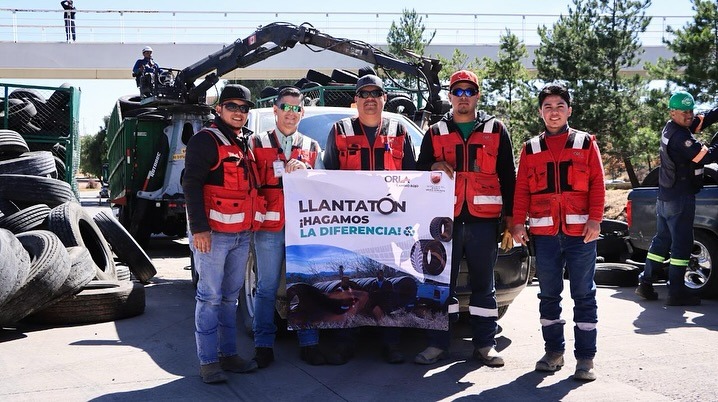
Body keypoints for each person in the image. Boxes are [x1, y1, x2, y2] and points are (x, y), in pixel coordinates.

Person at [415, 70, 516, 368]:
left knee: (484, 285)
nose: (463, 97)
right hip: (444, 222)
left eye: (468, 91)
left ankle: (485, 346)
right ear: (449, 96)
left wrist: (511, 221)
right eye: (457, 91)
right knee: (440, 284)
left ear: (477, 95)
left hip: (483, 221)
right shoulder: (435, 132)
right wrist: (433, 163)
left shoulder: (496, 129)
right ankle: (437, 345)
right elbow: (418, 173)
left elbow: (508, 176)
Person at [511, 84, 604, 382]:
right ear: (540, 112)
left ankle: (586, 359)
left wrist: (595, 219)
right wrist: (517, 223)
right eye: (548, 107)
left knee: (584, 295)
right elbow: (522, 189)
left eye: (559, 106)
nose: (554, 112)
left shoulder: (586, 143)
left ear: (569, 110)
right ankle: (554, 352)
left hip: (581, 235)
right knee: (549, 295)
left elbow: (598, 184)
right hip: (545, 234)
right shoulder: (530, 148)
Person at [323, 74, 417, 364]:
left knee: (387, 286)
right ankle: (345, 341)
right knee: (351, 284)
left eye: (376, 93)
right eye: (364, 93)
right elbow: (325, 177)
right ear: (356, 100)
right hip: (352, 224)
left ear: (384, 99)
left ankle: (391, 342)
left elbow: (415, 177)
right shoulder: (339, 130)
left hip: (391, 223)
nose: (370, 98)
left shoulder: (400, 131)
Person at [182, 85, 263, 384]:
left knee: (231, 300)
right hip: (213, 236)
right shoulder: (205, 140)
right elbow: (191, 185)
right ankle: (208, 363)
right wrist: (199, 228)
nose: (239, 112)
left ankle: (229, 356)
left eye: (244, 108)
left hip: (242, 234)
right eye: (232, 106)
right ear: (219, 109)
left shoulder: (247, 142)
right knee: (209, 298)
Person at [247, 86, 331, 368]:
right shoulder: (256, 143)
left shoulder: (311, 147)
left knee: (306, 286)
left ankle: (310, 344)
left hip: (302, 229)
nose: (291, 113)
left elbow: (323, 186)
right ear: (275, 109)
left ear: (302, 112)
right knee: (266, 288)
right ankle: (263, 346)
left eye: (297, 108)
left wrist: (307, 173)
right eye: (286, 107)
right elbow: (248, 184)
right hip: (268, 227)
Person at [635, 91, 718, 306]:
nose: (689, 116)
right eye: (684, 113)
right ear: (673, 112)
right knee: (682, 245)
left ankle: (646, 282)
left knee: (661, 241)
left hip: (666, 197)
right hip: (680, 197)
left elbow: (702, 121)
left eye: (691, 111)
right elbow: (705, 156)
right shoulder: (681, 136)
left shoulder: (673, 127)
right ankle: (677, 292)